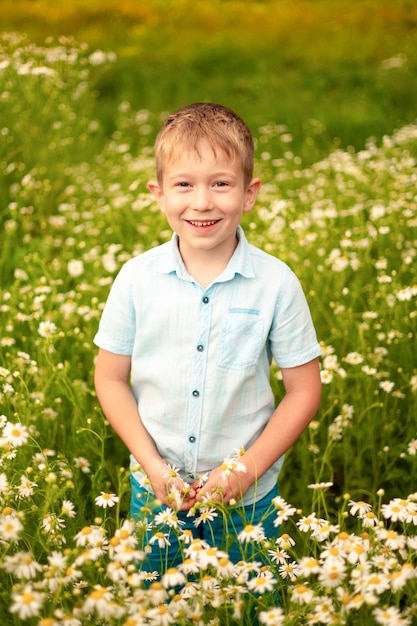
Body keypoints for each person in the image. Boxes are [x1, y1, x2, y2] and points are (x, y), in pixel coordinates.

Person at [93, 102, 322, 572]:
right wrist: (153, 466)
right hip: (157, 491)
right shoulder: (135, 279)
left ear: (249, 193)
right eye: (183, 184)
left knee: (246, 603)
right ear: (158, 194)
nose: (202, 202)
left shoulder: (277, 283)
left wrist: (242, 472)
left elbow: (304, 390)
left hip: (249, 501)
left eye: (221, 183)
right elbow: (111, 379)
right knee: (160, 602)